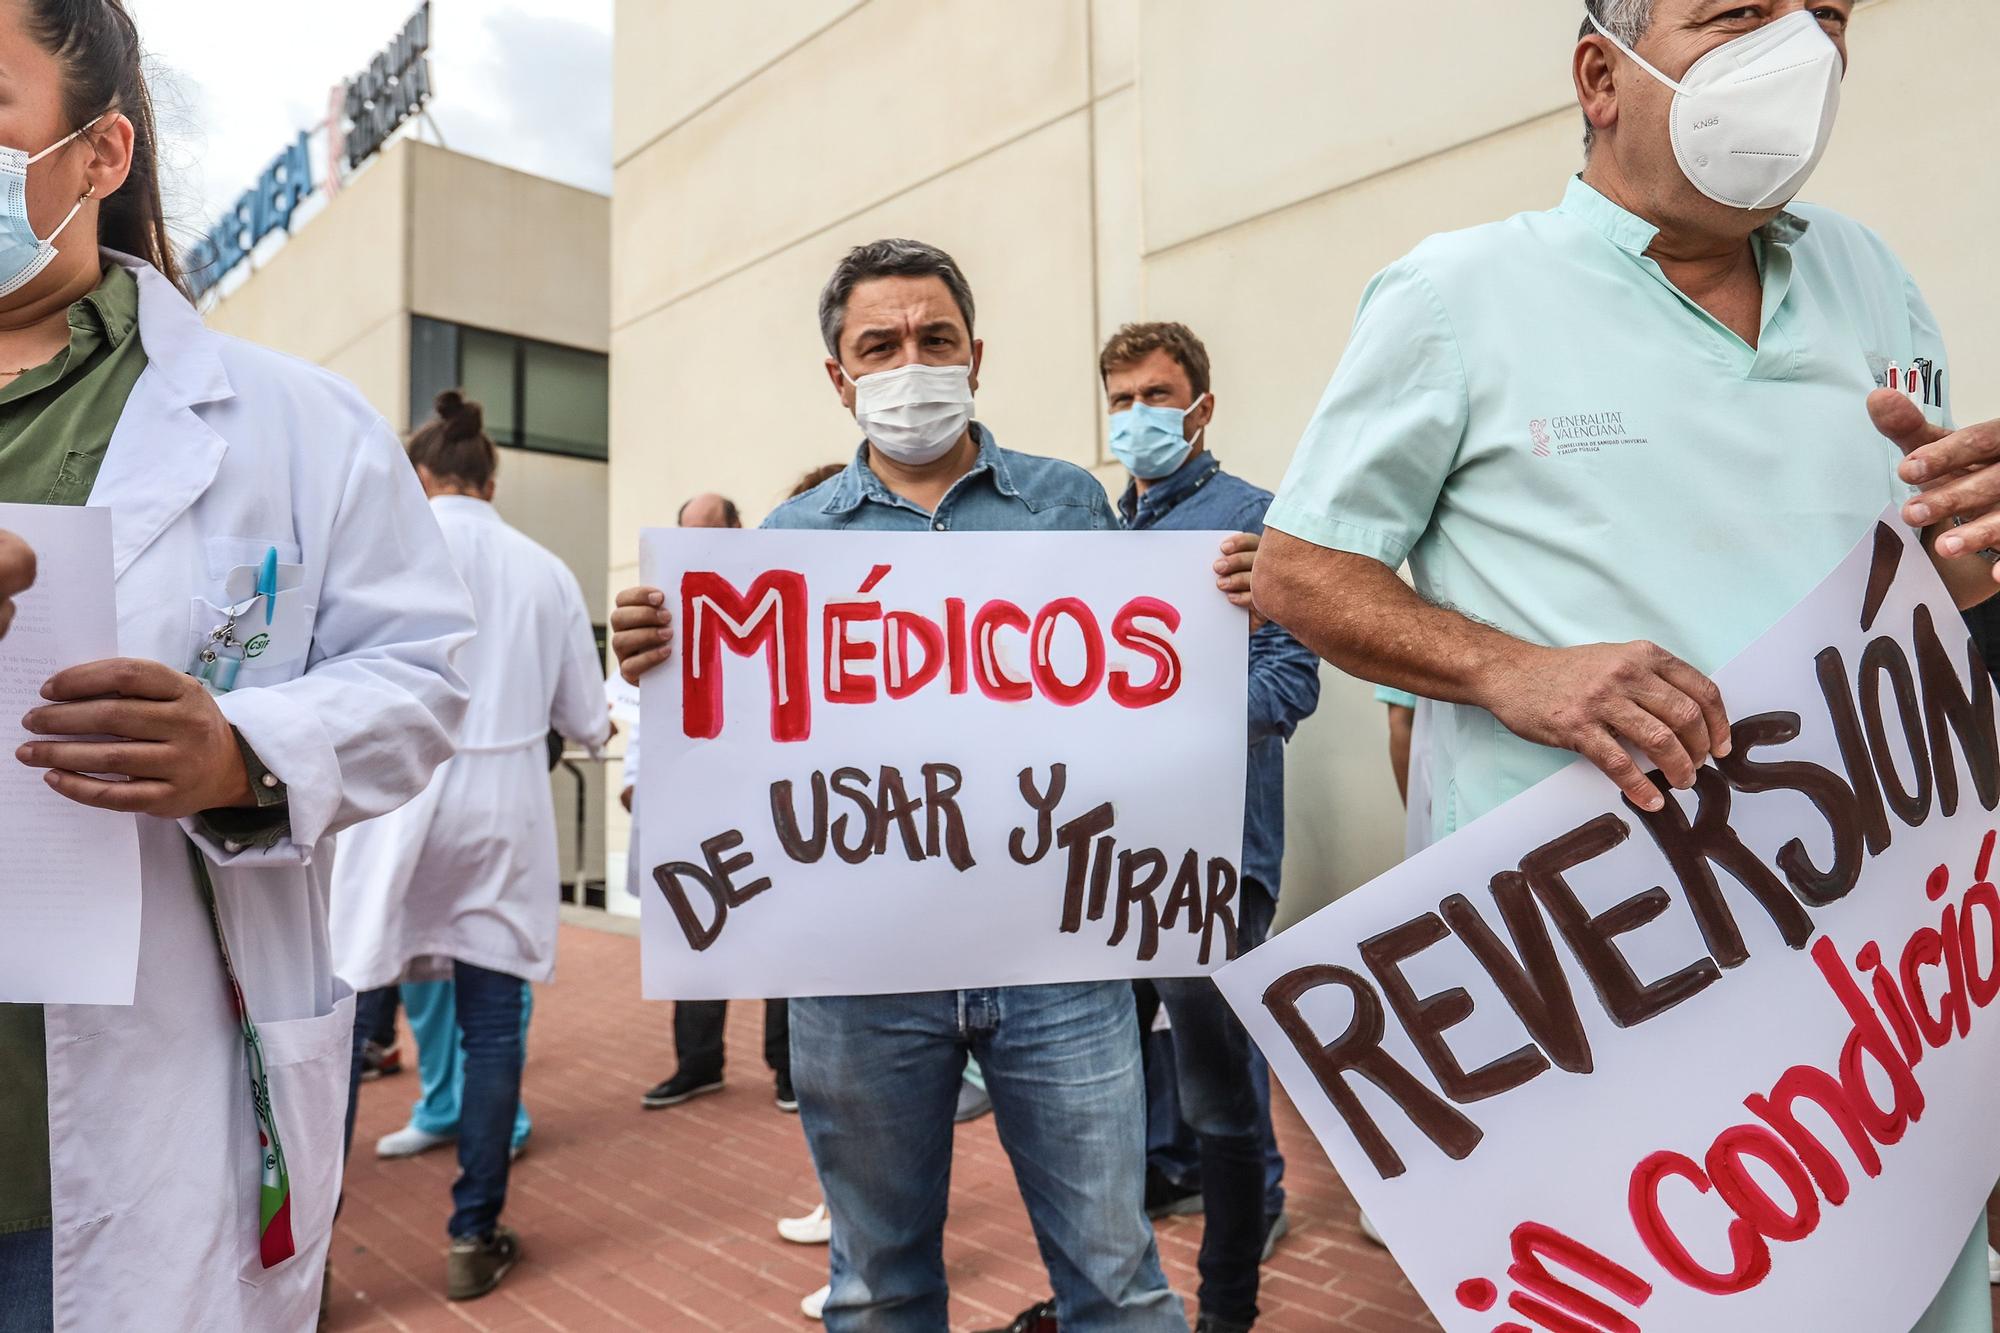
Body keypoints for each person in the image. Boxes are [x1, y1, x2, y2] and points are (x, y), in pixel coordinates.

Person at [1249, 3, 2000, 1328]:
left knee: (1903, 1287)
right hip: (1604, 982)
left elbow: (1916, 582)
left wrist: (1973, 555)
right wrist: (1506, 668)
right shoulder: (1455, 295)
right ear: (1602, 74)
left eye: (1827, 19)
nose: (1802, 55)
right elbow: (1302, 574)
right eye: (1743, 19)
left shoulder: (1877, 278)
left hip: (1867, 969)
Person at [612, 238, 1262, 1333]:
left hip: (1057, 964)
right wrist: (662, 653)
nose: (909, 361)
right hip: (859, 980)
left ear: (975, 354)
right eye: (879, 344)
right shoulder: (788, 541)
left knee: (1117, 1282)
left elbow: (1139, 692)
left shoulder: (1066, 506)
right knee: (877, 1288)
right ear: (837, 374)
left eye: (934, 339)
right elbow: (747, 737)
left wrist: (1225, 606)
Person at [0, 4, 474, 1328]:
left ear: (99, 155)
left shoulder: (290, 424)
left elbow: (423, 677)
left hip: (118, 1132)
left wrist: (241, 752)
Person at [332, 391, 611, 1302]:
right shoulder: (546, 569)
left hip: (393, 798)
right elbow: (586, 719)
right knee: (494, 1026)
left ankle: (309, 1252)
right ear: (491, 478)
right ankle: (472, 1231)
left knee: (340, 1029)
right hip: (503, 806)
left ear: (422, 477)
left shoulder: (383, 555)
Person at [1088, 321, 1323, 1332]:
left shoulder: (1251, 520)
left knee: (1219, 1065)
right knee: (1120, 1048)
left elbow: (1291, 678)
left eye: (1158, 395)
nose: (1139, 416)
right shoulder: (1095, 532)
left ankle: (1241, 1250)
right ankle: (1162, 1180)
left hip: (1214, 855)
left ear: (1200, 406)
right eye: (1122, 398)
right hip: (1103, 851)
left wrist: (1178, 723)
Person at [634, 489, 799, 1112]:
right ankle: (697, 1063)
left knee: (781, 931)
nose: (699, 545)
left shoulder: (775, 586)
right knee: (700, 926)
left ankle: (786, 1067)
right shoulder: (666, 601)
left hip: (776, 791)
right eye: (688, 534)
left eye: (710, 531)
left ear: (740, 527)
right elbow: (641, 698)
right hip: (702, 794)